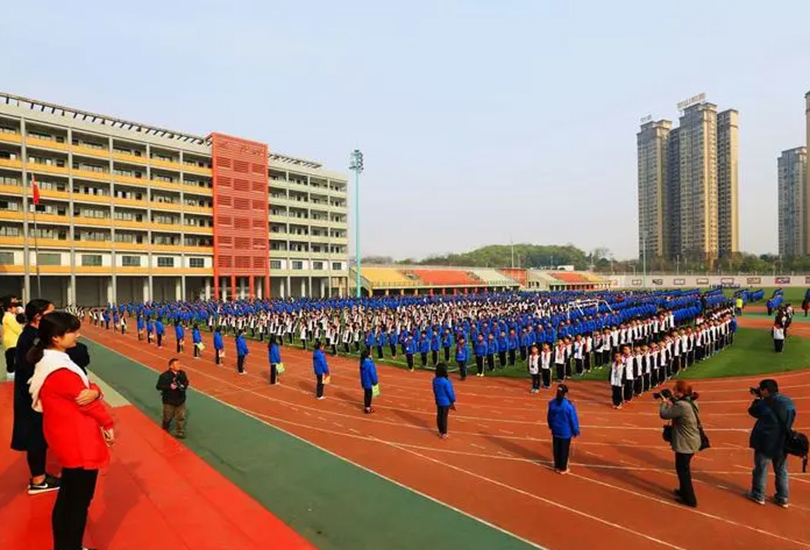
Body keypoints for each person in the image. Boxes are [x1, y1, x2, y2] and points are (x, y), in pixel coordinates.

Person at [27, 311, 114, 550]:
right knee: (76, 502)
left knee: (69, 499)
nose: (77, 334)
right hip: (78, 441)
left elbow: (86, 387)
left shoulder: (51, 361)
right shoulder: (60, 370)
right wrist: (108, 424)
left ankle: (69, 545)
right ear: (56, 338)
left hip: (67, 436)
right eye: (72, 331)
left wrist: (95, 390)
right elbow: (84, 397)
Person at [12, 299, 63, 495]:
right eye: (51, 313)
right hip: (31, 398)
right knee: (35, 438)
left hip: (32, 395)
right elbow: (35, 367)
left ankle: (39, 476)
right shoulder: (32, 338)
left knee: (39, 438)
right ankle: (38, 480)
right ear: (38, 317)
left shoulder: (33, 335)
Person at [746, 379, 795, 508]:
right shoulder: (788, 401)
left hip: (766, 441)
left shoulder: (765, 403)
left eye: (761, 389)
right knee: (781, 470)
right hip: (783, 441)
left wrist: (757, 399)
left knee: (761, 469)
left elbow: (752, 411)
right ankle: (783, 497)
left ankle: (758, 494)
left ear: (765, 390)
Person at [658, 380, 702, 508]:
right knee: (682, 468)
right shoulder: (691, 401)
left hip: (686, 443)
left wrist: (664, 402)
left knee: (683, 470)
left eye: (675, 390)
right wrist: (672, 399)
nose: (674, 392)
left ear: (681, 392)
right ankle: (683, 491)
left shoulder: (682, 406)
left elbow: (664, 414)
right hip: (691, 440)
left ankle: (690, 499)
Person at [546, 384, 580, 474]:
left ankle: (557, 465)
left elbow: (549, 416)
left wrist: (551, 425)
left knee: (556, 449)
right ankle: (563, 468)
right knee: (564, 450)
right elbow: (573, 419)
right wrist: (575, 431)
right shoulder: (568, 406)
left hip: (556, 430)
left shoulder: (552, 403)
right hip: (565, 431)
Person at [156, 358, 189, 439]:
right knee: (168, 417)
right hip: (169, 401)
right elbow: (158, 387)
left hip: (180, 399)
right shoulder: (164, 376)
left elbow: (186, 381)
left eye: (179, 364)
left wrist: (183, 386)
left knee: (181, 417)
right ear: (171, 366)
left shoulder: (182, 373)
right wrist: (169, 386)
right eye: (177, 364)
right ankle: (165, 427)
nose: (179, 366)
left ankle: (180, 431)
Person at [432, 363, 456, 439]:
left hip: (438, 400)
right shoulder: (446, 381)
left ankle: (440, 430)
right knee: (444, 417)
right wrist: (453, 399)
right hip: (446, 401)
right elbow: (449, 392)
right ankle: (444, 432)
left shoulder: (435, 380)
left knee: (439, 415)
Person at [2, 295, 22, 377]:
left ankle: (10, 372)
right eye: (14, 307)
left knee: (10, 358)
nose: (16, 308)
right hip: (13, 341)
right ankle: (11, 373)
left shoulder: (7, 316)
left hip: (10, 341)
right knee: (13, 358)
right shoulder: (9, 317)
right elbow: (17, 328)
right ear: (9, 309)